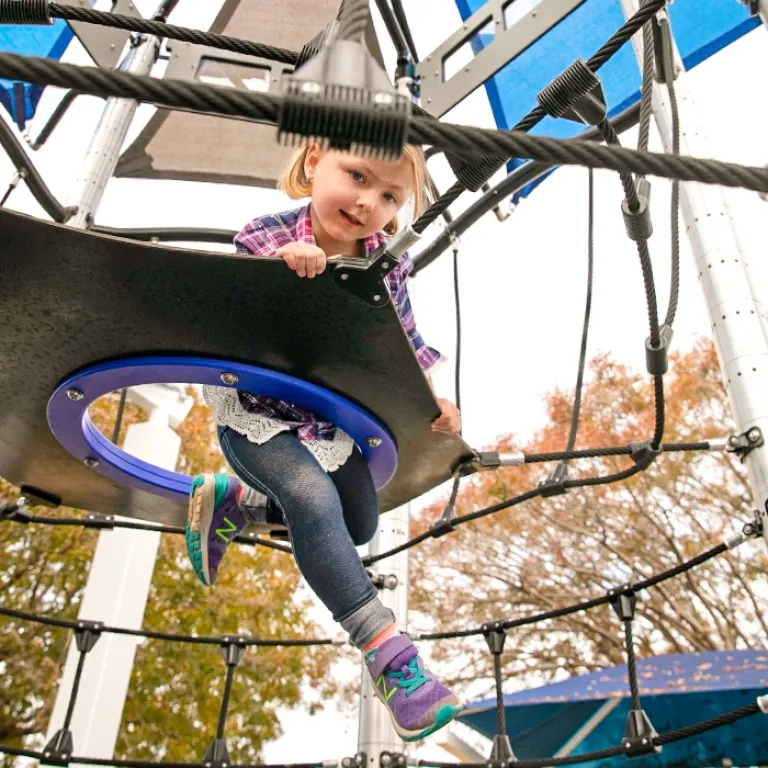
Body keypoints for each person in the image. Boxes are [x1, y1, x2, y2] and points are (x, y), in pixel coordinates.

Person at [186, 142, 463, 742]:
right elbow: (230, 312)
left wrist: (431, 397)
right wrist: (283, 269)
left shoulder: (385, 265)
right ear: (314, 165)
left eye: (389, 195)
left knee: (360, 523)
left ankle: (235, 501)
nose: (368, 202)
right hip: (257, 412)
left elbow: (403, 341)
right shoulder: (268, 235)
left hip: (324, 420)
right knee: (311, 498)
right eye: (356, 177)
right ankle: (390, 658)